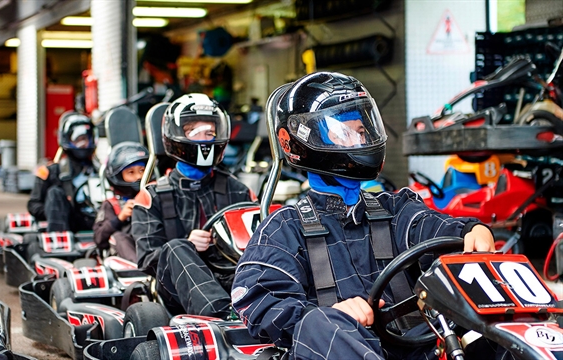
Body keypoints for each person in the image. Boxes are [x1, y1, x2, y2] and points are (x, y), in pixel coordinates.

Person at [231, 72, 496, 360]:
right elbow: (258, 298)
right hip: (333, 350)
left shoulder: (396, 208)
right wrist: (330, 316)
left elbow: (432, 228)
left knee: (491, 313)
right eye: (343, 133)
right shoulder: (284, 227)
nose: (358, 141)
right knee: (317, 323)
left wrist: (472, 231)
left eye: (360, 131)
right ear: (304, 141)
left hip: (414, 349)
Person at [132, 93, 256, 319]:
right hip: (176, 290)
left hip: (233, 279)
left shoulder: (239, 190)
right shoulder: (152, 196)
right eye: (194, 132)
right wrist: (188, 245)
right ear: (176, 136)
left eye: (209, 133)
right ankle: (221, 317)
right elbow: (147, 259)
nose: (204, 139)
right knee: (175, 248)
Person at [28, 111, 97, 232]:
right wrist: (56, 210)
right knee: (54, 193)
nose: (82, 144)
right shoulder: (50, 171)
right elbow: (33, 205)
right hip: (68, 222)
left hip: (99, 221)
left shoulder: (101, 170)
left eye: (85, 139)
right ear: (66, 139)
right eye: (78, 139)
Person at [92, 141, 148, 263]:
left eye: (142, 170)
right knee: (118, 237)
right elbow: (99, 237)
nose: (139, 177)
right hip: (124, 254)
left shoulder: (151, 197)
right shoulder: (111, 204)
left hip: (147, 246)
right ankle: (140, 269)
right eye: (131, 172)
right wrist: (120, 217)